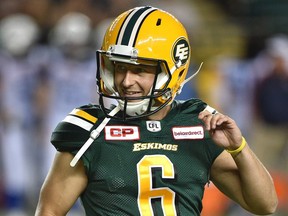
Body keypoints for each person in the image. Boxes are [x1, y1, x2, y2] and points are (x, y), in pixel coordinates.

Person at [35, 6, 278, 216]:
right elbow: (49, 211)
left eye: (140, 70)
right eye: (119, 67)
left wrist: (239, 148)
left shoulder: (198, 123)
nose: (126, 81)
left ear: (174, 71)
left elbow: (265, 205)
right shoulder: (89, 130)